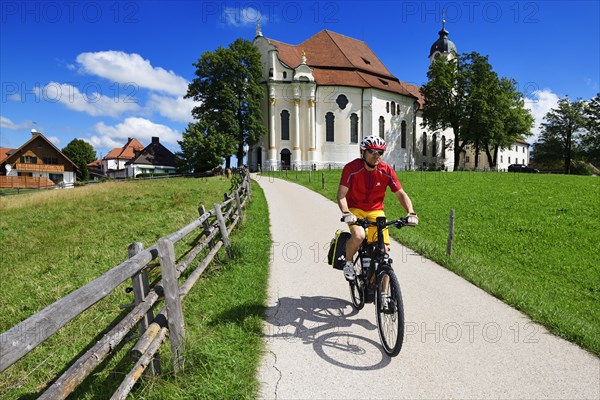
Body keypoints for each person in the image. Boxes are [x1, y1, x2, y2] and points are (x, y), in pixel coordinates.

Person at [337, 135, 418, 281]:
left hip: (376, 211)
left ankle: (383, 297)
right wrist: (346, 212)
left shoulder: (386, 170)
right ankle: (348, 262)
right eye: (372, 151)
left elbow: (400, 194)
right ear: (362, 152)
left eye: (380, 152)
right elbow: (341, 194)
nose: (376, 156)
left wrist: (411, 212)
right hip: (355, 209)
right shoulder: (351, 168)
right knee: (359, 236)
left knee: (384, 254)